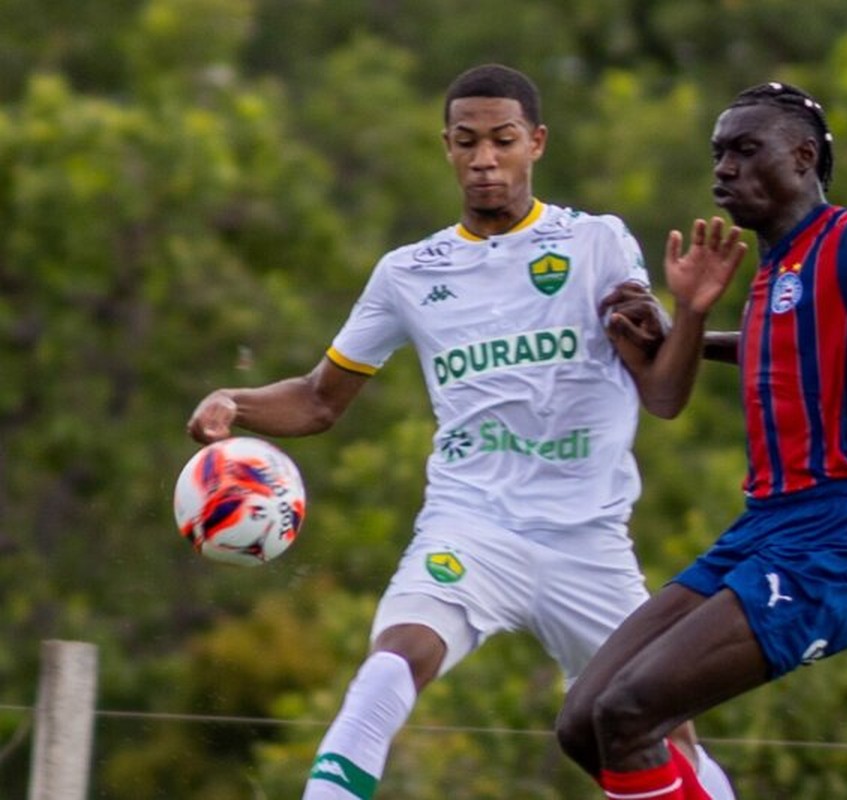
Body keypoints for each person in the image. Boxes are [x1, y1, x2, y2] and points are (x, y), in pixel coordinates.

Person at [186, 64, 743, 800]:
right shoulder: (408, 273)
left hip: (589, 542)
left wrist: (692, 311)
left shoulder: (596, 244)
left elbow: (665, 396)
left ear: (536, 142)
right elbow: (319, 401)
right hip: (473, 527)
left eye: (503, 140)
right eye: (467, 141)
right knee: (393, 662)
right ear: (446, 147)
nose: (485, 158)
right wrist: (235, 402)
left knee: (662, 736)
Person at [555, 81, 847, 800]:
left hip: (839, 538)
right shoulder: (778, 268)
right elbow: (785, 345)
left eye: (745, 150)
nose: (724, 169)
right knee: (582, 723)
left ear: (803, 157)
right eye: (718, 153)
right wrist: (680, 335)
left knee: (628, 713)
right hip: (764, 528)